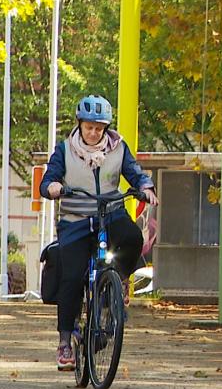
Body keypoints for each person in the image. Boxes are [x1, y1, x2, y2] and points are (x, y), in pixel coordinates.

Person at [39, 95, 158, 371]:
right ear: (80, 125)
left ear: (105, 128)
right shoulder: (65, 150)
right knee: (70, 277)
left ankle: (120, 280)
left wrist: (146, 186)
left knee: (132, 238)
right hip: (76, 219)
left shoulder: (118, 148)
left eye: (99, 128)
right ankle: (65, 341)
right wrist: (52, 187)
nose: (94, 133)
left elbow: (135, 172)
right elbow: (48, 180)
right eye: (89, 127)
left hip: (110, 213)